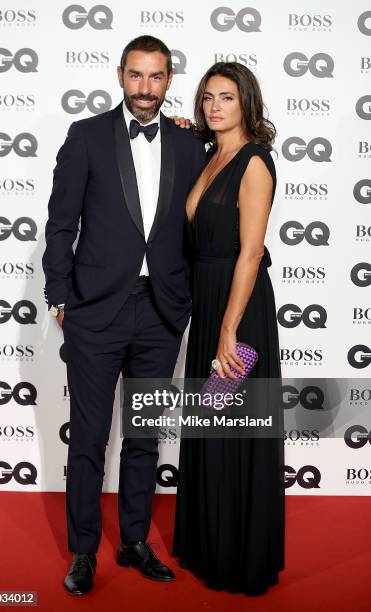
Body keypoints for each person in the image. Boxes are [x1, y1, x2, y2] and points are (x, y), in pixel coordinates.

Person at [42, 35, 206, 595]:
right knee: (88, 437)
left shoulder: (189, 145)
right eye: (136, 76)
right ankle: (84, 550)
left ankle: (134, 541)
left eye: (156, 77)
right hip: (95, 311)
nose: (145, 88)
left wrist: (183, 305)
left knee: (143, 435)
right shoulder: (85, 136)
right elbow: (62, 221)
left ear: (169, 79)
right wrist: (61, 298)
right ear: (120, 76)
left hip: (160, 311)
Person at [172, 62, 285, 595]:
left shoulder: (255, 163)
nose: (216, 106)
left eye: (228, 97)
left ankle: (240, 557)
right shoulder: (208, 157)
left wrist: (228, 330)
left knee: (235, 430)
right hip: (207, 300)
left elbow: (251, 252)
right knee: (211, 428)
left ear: (247, 105)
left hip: (239, 309)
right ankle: (206, 544)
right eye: (209, 97)